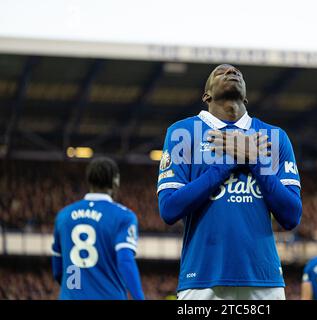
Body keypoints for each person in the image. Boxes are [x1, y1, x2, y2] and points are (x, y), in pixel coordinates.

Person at [157, 64, 303, 300]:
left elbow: (292, 215)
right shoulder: (182, 132)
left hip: (264, 282)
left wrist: (256, 161)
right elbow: (169, 208)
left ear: (245, 96)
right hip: (202, 281)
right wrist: (227, 162)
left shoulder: (275, 137)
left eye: (237, 73)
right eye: (221, 72)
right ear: (207, 95)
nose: (231, 72)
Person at [51, 157, 145, 300]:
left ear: (89, 181)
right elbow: (125, 261)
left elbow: (57, 270)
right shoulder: (124, 216)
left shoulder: (64, 216)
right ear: (115, 182)